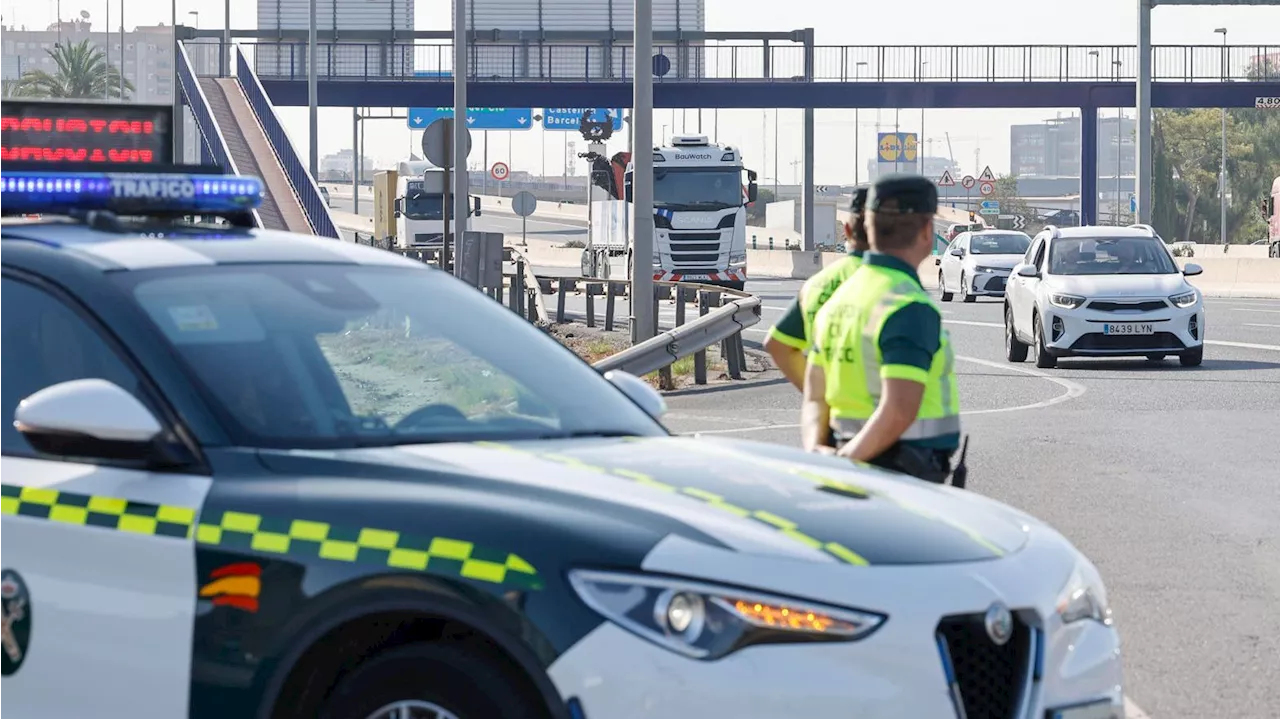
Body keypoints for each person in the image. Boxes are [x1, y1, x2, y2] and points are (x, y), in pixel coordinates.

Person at [802, 173, 967, 486]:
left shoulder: (838, 300)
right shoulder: (908, 306)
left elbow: (814, 397)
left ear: (869, 228)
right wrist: (847, 463)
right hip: (903, 475)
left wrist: (817, 452)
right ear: (927, 232)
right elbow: (899, 410)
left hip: (847, 455)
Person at [763, 185, 870, 390]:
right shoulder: (895, 286)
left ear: (847, 230)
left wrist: (819, 394)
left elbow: (777, 345)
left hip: (832, 416)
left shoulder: (818, 284)